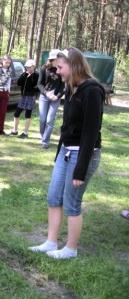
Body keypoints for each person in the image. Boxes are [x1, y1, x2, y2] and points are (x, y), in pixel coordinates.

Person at [29, 48, 104, 259]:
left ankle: (71, 249)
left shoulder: (92, 90)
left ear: (74, 65)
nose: (58, 71)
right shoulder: (71, 87)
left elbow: (90, 133)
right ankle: (50, 242)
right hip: (65, 152)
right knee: (54, 197)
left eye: (61, 67)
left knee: (72, 202)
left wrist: (80, 170)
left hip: (83, 155)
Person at [38, 49, 65, 149]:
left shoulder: (61, 69)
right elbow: (39, 84)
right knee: (42, 119)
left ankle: (45, 141)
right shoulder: (44, 68)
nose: (59, 61)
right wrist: (46, 93)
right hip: (44, 97)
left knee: (50, 120)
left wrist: (57, 96)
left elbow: (64, 87)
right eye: (58, 59)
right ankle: (43, 136)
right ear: (53, 59)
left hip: (55, 98)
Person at [10, 59, 39, 138]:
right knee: (17, 113)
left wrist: (33, 88)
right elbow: (19, 83)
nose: (28, 69)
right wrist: (24, 75)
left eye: (29, 67)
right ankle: (14, 130)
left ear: (33, 67)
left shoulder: (36, 75)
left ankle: (25, 133)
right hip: (23, 96)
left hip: (31, 96)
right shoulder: (24, 74)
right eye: (26, 67)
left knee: (28, 114)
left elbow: (37, 87)